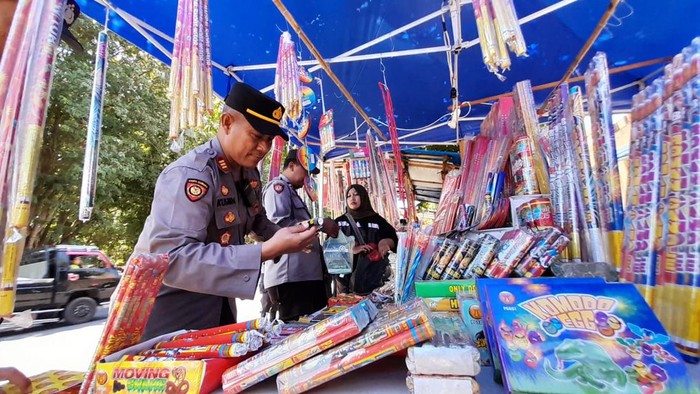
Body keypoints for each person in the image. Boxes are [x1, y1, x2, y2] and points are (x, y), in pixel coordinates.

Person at [131, 82, 320, 340]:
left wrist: (287, 235)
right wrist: (266, 251)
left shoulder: (247, 171)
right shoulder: (192, 175)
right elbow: (172, 259)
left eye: (268, 140)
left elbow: (256, 219)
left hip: (218, 304)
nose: (264, 148)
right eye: (256, 136)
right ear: (227, 123)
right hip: (172, 314)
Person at [262, 149, 339, 321]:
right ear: (291, 166)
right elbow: (280, 227)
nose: (307, 179)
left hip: (306, 275)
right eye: (305, 172)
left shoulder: (291, 191)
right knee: (297, 331)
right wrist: (319, 223)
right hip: (292, 277)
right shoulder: (278, 189)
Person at [334, 184, 398, 295]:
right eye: (348, 196)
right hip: (344, 280)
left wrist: (386, 242)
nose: (352, 198)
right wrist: (351, 249)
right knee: (345, 308)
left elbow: (395, 240)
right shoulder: (340, 222)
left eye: (356, 194)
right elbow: (330, 248)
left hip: (372, 278)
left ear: (363, 197)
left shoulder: (378, 221)